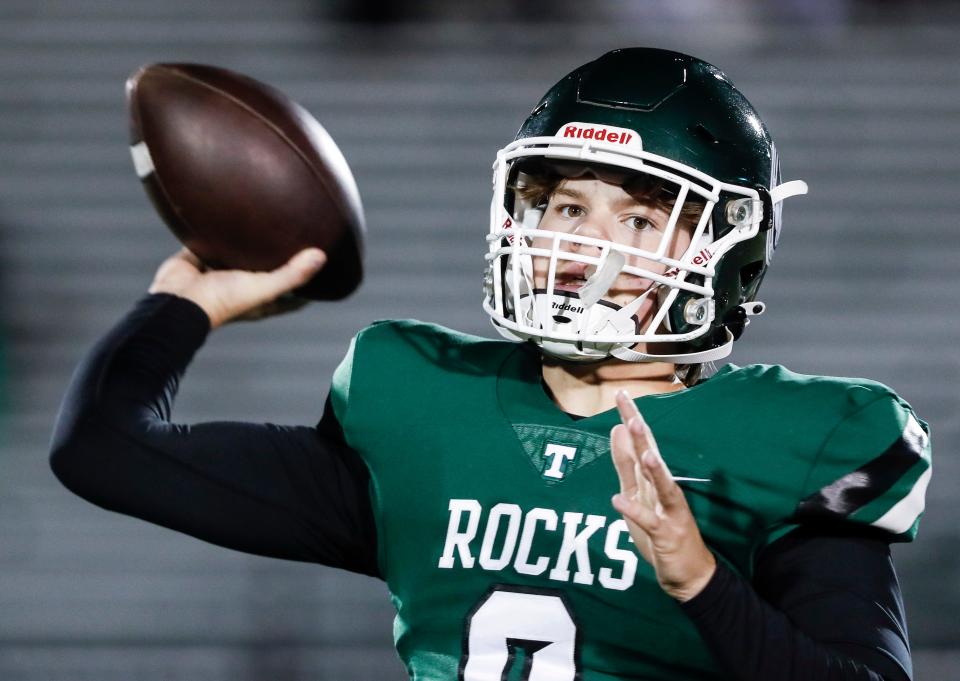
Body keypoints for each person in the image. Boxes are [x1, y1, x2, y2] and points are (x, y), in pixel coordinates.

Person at [50, 48, 930, 681]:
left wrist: (699, 579)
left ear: (727, 247)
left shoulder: (800, 442)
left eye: (639, 218)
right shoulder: (425, 405)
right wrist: (188, 298)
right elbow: (104, 449)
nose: (588, 244)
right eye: (562, 205)